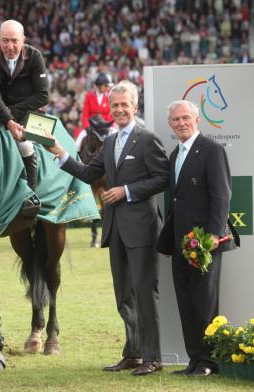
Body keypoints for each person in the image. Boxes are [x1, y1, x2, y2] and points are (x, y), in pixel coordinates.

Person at [46, 80, 169, 376]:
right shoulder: (111, 142)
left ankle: (153, 357)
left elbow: (163, 178)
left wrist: (126, 191)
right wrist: (61, 153)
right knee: (124, 296)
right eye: (115, 105)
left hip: (142, 230)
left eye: (124, 104)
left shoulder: (148, 139)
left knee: (143, 292)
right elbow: (88, 173)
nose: (119, 110)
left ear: (135, 106)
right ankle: (134, 353)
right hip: (115, 230)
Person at [157, 100, 237, 377]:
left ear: (197, 120)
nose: (181, 123)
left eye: (185, 118)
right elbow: (176, 203)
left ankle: (208, 362)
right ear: (170, 125)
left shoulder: (212, 150)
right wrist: (168, 242)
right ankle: (194, 360)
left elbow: (222, 195)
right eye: (176, 119)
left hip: (205, 241)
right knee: (186, 302)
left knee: (204, 302)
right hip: (181, 243)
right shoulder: (174, 154)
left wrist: (215, 234)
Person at [0, 19, 49, 191]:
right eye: (5, 41)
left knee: (25, 146)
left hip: (27, 113)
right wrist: (8, 119)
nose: (10, 46)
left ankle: (32, 193)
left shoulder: (35, 56)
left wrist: (11, 112)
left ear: (23, 40)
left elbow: (43, 96)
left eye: (14, 41)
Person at [76, 72, 114, 151]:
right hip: (92, 127)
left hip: (106, 127)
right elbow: (85, 115)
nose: (108, 88)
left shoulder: (109, 97)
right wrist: (87, 127)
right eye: (106, 85)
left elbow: (111, 115)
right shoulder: (89, 96)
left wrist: (111, 126)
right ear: (99, 85)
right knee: (77, 144)